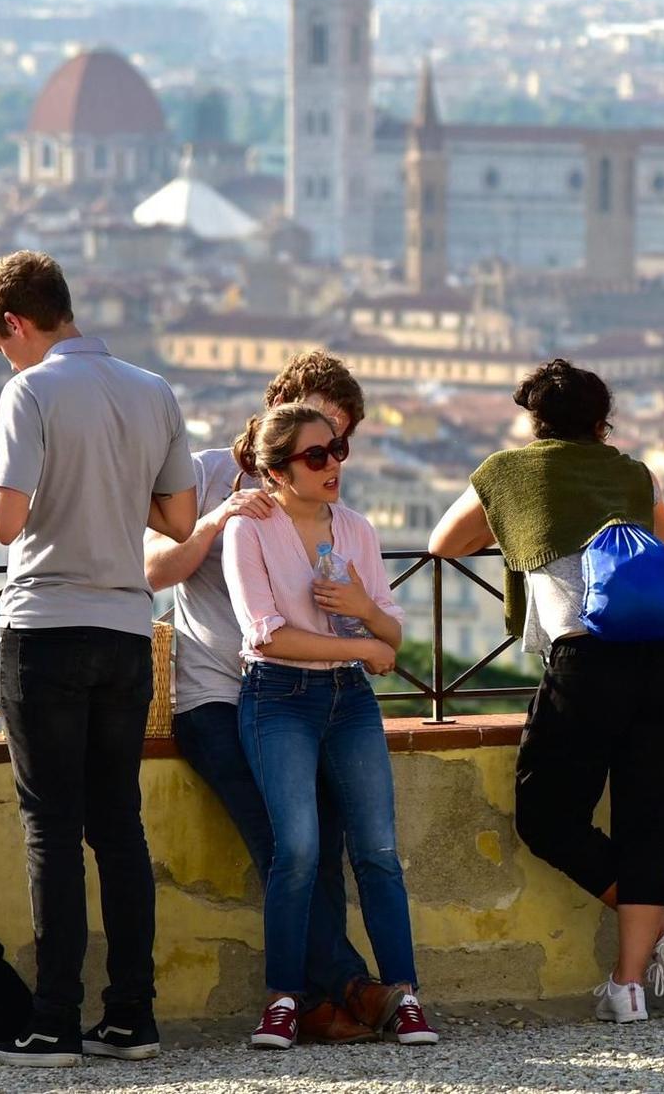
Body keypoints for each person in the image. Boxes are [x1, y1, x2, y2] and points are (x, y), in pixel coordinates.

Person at [0, 250, 198, 1067]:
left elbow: (4, 522)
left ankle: (53, 1020)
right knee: (119, 826)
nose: (5, 357)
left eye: (0, 344)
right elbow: (176, 516)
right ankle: (133, 1014)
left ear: (17, 324)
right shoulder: (152, 388)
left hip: (48, 624)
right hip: (128, 629)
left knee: (51, 830)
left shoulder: (29, 390)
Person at [428, 359, 664, 1024]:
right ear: (602, 420)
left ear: (534, 419)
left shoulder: (510, 472)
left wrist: (523, 527)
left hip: (588, 663)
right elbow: (658, 538)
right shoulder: (635, 474)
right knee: (645, 823)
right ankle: (629, 983)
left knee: (546, 816)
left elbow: (441, 543)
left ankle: (660, 926)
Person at [145, 351, 399, 1043]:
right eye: (319, 437)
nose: (330, 454)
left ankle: (318, 998)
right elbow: (151, 569)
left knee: (327, 837)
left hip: (304, 693)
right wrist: (218, 521)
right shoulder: (200, 472)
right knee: (282, 838)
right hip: (215, 693)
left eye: (340, 441)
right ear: (279, 409)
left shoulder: (325, 501)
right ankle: (348, 986)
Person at [223, 403, 439, 1050]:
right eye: (315, 455)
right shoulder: (249, 531)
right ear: (279, 470)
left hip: (349, 699)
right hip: (278, 696)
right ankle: (284, 999)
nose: (333, 464)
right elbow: (264, 631)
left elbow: (393, 632)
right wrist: (363, 647)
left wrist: (361, 610)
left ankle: (403, 995)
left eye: (337, 448)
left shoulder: (358, 530)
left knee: (377, 850)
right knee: (298, 849)